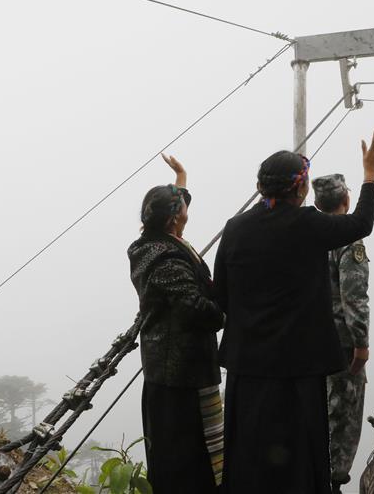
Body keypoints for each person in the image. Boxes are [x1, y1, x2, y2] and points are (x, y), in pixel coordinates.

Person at [214, 128, 374, 494]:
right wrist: (371, 175)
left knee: (248, 448)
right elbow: (361, 223)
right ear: (299, 189)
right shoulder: (307, 224)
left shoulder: (235, 229)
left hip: (247, 364)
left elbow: (220, 296)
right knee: (298, 453)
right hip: (298, 364)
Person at [127, 153, 224, 494]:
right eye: (182, 206)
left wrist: (182, 177)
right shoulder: (167, 260)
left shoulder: (157, 244)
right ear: (173, 220)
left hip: (170, 371)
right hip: (180, 377)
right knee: (185, 460)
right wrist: (225, 312)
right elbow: (195, 308)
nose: (187, 208)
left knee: (186, 456)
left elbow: (176, 203)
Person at [312, 173, 370, 494]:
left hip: (310, 340)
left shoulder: (306, 237)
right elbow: (354, 295)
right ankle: (334, 481)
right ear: (346, 202)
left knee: (317, 409)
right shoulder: (348, 239)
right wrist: (360, 344)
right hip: (341, 342)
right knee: (344, 415)